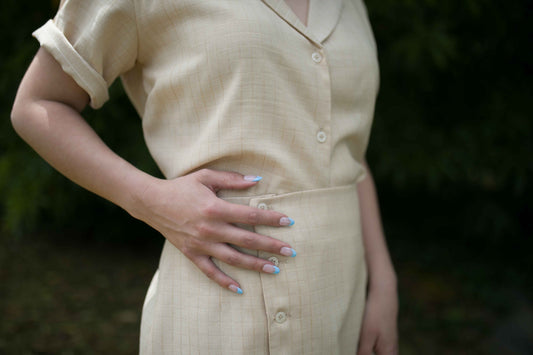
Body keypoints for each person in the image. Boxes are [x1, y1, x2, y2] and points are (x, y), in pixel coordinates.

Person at [11, 0, 398, 353]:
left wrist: (383, 281)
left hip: (345, 303)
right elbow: (38, 104)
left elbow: (348, 151)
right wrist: (150, 199)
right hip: (223, 302)